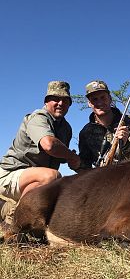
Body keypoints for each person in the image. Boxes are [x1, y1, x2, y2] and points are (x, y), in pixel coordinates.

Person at [0, 81, 81, 224]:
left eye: (65, 100)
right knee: (51, 176)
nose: (60, 103)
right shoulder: (38, 117)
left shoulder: (66, 128)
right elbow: (49, 145)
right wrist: (71, 156)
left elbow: (61, 157)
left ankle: (9, 207)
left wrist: (78, 164)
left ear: (69, 104)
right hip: (10, 173)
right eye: (55, 99)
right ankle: (16, 221)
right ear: (46, 101)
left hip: (32, 179)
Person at [78, 80, 130, 169]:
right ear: (89, 103)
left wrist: (125, 144)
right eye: (94, 99)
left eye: (103, 97)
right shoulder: (85, 132)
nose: (99, 102)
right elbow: (85, 166)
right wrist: (74, 161)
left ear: (110, 98)